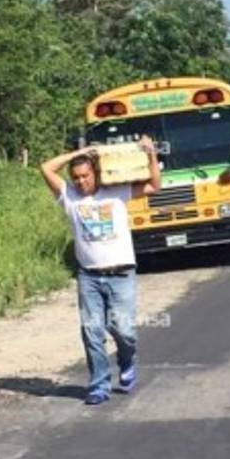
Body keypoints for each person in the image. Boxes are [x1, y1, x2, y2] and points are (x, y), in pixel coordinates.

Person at [40, 136, 161, 406]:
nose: (81, 181)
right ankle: (99, 385)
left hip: (121, 273)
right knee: (92, 331)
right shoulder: (69, 197)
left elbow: (154, 185)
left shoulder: (117, 192)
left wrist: (151, 154)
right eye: (76, 177)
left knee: (123, 330)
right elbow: (46, 168)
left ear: (96, 173)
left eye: (85, 176)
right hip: (89, 276)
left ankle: (127, 359)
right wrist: (80, 152)